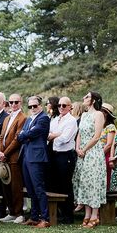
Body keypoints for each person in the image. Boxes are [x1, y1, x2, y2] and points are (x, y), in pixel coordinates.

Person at [73, 91, 107, 228]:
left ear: (93, 100)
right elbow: (79, 133)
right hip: (82, 152)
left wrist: (85, 149)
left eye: (87, 96)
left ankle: (95, 215)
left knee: (93, 182)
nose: (83, 98)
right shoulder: (84, 115)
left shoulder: (98, 114)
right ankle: (87, 214)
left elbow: (97, 136)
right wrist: (78, 148)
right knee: (84, 182)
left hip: (93, 152)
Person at [18, 96, 51, 228]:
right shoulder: (29, 119)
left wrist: (25, 134)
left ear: (40, 106)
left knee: (38, 188)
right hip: (26, 156)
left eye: (35, 106)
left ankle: (45, 218)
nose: (32, 108)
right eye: (30, 106)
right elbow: (22, 134)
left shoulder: (43, 118)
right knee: (30, 189)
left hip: (36, 157)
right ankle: (34, 216)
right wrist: (25, 134)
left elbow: (30, 134)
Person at [47, 96, 78, 224]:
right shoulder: (54, 120)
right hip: (54, 154)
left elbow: (64, 139)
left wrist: (54, 135)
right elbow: (47, 135)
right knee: (55, 184)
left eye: (64, 105)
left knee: (66, 185)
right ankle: (58, 213)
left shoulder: (71, 121)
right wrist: (56, 135)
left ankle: (68, 215)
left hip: (65, 155)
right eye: (59, 105)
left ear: (70, 107)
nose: (61, 107)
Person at [0, 94, 27, 223]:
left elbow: (17, 139)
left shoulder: (23, 118)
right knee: (6, 185)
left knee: (16, 186)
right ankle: (12, 211)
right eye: (11, 102)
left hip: (14, 157)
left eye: (16, 102)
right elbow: (1, 136)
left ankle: (19, 213)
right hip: (3, 157)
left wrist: (5, 153)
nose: (13, 105)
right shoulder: (7, 118)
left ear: (21, 103)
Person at [100, 103, 117, 186]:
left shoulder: (110, 127)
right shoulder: (99, 126)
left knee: (105, 178)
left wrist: (99, 154)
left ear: (106, 114)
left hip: (105, 154)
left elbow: (109, 144)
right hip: (97, 153)